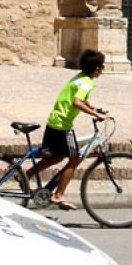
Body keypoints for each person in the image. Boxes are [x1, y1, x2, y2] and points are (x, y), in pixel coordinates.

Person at [30, 49, 110, 210]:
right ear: (96, 68)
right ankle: (59, 195)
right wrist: (96, 115)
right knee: (74, 159)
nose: (102, 70)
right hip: (63, 126)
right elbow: (76, 102)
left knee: (58, 156)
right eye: (102, 67)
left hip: (54, 121)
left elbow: (79, 98)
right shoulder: (88, 83)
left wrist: (94, 108)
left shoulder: (79, 78)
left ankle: (26, 175)